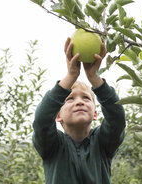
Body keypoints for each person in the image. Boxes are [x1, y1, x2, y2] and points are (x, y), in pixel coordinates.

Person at [32, 37, 126, 184]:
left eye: (86, 98)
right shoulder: (52, 145)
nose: (79, 102)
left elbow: (117, 119)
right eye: (70, 99)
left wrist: (94, 77)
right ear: (58, 116)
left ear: (95, 113)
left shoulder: (103, 143)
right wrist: (71, 76)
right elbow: (41, 120)